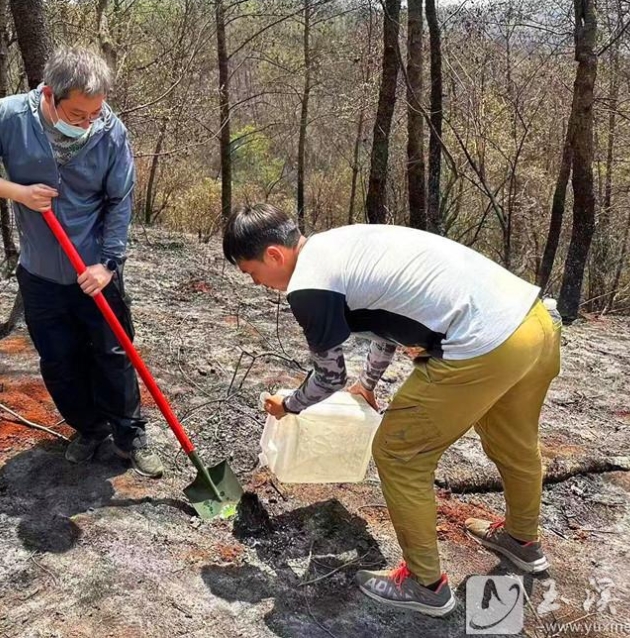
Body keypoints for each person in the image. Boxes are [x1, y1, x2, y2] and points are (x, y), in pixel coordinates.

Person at [223, 203, 561, 617]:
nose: (259, 283)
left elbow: (328, 377)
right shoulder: (338, 244)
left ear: (274, 254)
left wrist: (289, 404)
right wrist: (367, 385)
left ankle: (426, 585)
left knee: (399, 453)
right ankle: (523, 541)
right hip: (535, 323)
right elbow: (386, 324)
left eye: (252, 273)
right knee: (514, 442)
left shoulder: (308, 285)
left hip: (484, 342)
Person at [0, 46, 164, 478]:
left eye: (95, 112)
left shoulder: (110, 131)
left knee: (113, 353)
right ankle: (89, 428)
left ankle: (129, 432)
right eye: (78, 113)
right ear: (49, 95)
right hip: (41, 272)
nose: (88, 122)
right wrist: (15, 191)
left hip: (95, 272)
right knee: (59, 360)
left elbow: (119, 200)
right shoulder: (9, 118)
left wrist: (108, 264)